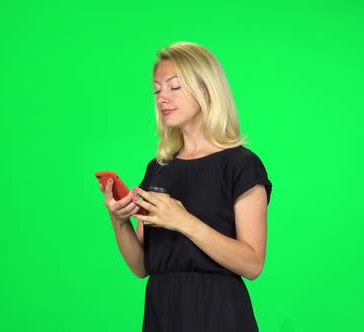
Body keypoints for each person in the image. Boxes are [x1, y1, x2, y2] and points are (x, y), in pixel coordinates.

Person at [99, 42, 272, 332]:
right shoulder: (158, 169)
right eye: (157, 90)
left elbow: (253, 263)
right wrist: (119, 221)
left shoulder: (241, 164)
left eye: (174, 87)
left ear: (206, 90)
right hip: (162, 313)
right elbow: (141, 267)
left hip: (218, 313)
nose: (162, 98)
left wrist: (184, 221)